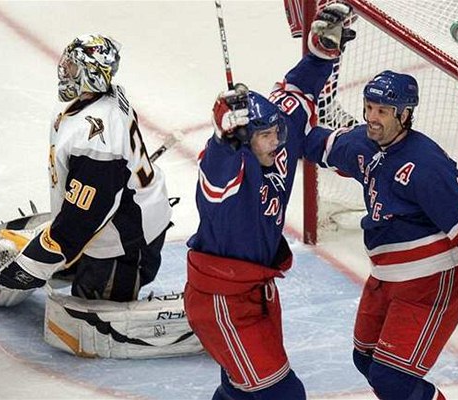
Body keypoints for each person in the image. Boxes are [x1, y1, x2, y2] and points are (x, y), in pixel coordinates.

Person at [0, 34, 202, 359]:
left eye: (71, 67)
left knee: (83, 319)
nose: (63, 72)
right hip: (122, 214)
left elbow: (83, 219)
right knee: (41, 245)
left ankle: (200, 318)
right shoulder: (95, 102)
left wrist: (33, 265)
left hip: (125, 243)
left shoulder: (98, 137)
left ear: (91, 75)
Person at [183, 3, 356, 399]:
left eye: (277, 132)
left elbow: (298, 92)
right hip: (221, 301)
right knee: (283, 394)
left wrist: (321, 51)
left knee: (241, 392)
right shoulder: (226, 166)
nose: (276, 142)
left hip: (254, 290)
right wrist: (223, 139)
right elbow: (215, 174)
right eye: (264, 136)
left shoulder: (274, 133)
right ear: (242, 139)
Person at [304, 70, 458, 399]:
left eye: (382, 111)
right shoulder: (363, 144)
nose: (371, 117)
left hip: (430, 283)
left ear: (404, 114)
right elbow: (319, 144)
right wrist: (271, 128)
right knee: (365, 358)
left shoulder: (424, 164)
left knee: (392, 381)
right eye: (369, 107)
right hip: (386, 277)